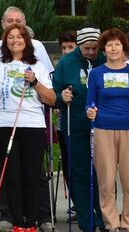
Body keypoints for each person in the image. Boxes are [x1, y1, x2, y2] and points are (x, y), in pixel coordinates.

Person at [0, 6, 54, 232]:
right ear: (5, 41)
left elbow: (51, 99)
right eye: (10, 37)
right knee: (12, 176)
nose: (15, 41)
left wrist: (35, 82)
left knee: (32, 176)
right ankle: (17, 222)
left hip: (32, 125)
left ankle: (32, 221)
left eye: (19, 37)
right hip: (5, 125)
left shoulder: (38, 66)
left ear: (26, 41)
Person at [86, 28, 129, 232]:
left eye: (117, 44)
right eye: (109, 45)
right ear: (104, 49)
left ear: (123, 47)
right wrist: (90, 111)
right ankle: (112, 223)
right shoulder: (96, 73)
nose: (113, 48)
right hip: (103, 129)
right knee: (106, 181)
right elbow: (89, 102)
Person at [51, 27, 106, 232]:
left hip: (103, 126)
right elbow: (53, 93)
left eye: (94, 48)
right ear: (79, 46)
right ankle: (86, 221)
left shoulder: (104, 59)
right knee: (80, 172)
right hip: (75, 125)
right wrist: (61, 97)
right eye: (86, 48)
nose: (91, 52)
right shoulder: (66, 63)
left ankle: (105, 219)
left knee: (103, 173)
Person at [54, 30, 77, 223]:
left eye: (71, 47)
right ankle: (77, 201)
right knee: (69, 164)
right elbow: (53, 93)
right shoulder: (61, 66)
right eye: (64, 48)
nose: (67, 51)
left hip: (82, 123)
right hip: (64, 123)